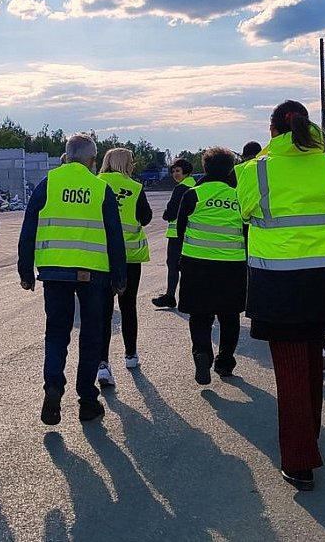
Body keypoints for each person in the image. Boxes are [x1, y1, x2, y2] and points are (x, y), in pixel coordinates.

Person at [236, 100, 325, 491]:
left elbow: (246, 212)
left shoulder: (257, 169)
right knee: (312, 363)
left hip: (278, 284)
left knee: (290, 371)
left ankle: (299, 460)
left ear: (272, 131)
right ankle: (309, 439)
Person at [18, 134, 126, 426]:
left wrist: (25, 269)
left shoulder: (47, 184)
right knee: (91, 335)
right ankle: (87, 400)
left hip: (54, 271)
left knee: (56, 333)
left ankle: (53, 387)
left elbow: (29, 227)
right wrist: (120, 275)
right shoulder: (99, 188)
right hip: (93, 273)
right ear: (93, 160)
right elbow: (114, 235)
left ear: (65, 156)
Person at [176, 147, 246, 385]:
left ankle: (202, 353)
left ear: (205, 168)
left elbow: (180, 230)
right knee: (229, 316)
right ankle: (225, 362)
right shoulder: (239, 196)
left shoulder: (193, 195)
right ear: (230, 170)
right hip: (232, 266)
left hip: (197, 264)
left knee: (200, 315)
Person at [95, 147, 152, 387]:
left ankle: (102, 364)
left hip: (100, 256)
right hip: (129, 257)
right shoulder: (136, 188)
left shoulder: (95, 183)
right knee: (128, 306)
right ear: (126, 163)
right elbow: (146, 218)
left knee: (103, 312)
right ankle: (130, 354)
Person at [151, 158, 195, 308]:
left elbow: (171, 212)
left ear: (186, 172)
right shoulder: (195, 186)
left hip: (177, 234)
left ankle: (170, 296)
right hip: (191, 233)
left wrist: (166, 214)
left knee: (173, 265)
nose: (175, 174)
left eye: (178, 171)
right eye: (173, 171)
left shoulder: (181, 189)